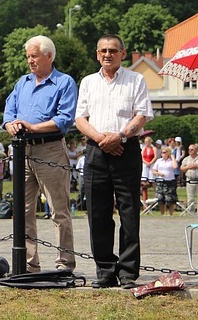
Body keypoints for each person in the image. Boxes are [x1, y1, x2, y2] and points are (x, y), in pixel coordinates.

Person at [75, 34, 153, 289]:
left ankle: (128, 272)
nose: (108, 54)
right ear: (96, 54)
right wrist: (101, 138)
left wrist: (119, 137)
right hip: (96, 151)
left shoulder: (136, 80)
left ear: (122, 53)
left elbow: (142, 115)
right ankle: (105, 270)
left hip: (126, 149)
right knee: (97, 214)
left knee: (129, 213)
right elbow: (80, 118)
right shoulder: (88, 82)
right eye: (103, 51)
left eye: (113, 50)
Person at [3, 35, 77, 272]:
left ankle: (64, 263)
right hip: (22, 150)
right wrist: (10, 125)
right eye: (28, 57)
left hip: (50, 148)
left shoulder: (64, 82)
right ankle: (27, 263)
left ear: (49, 56)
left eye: (34, 56)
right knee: (23, 211)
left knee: (58, 210)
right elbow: (8, 112)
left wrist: (34, 127)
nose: (30, 61)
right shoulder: (22, 83)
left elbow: (65, 119)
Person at [181, 143, 198, 215]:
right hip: (190, 179)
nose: (190, 151)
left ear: (196, 150)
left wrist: (197, 166)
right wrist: (188, 167)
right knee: (190, 197)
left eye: (192, 149)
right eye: (189, 149)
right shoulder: (186, 159)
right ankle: (191, 212)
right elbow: (182, 168)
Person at [152, 147, 178, 216]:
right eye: (162, 152)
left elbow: (175, 166)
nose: (162, 154)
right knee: (160, 198)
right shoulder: (159, 161)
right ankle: (162, 213)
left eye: (164, 152)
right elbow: (154, 170)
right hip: (160, 181)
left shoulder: (171, 161)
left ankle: (170, 213)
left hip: (170, 181)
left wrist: (172, 157)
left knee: (170, 199)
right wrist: (158, 173)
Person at [140, 136, 158, 201]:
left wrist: (150, 162)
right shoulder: (143, 148)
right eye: (145, 142)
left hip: (152, 164)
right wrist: (146, 162)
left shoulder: (154, 148)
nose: (146, 143)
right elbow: (142, 157)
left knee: (153, 180)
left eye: (147, 142)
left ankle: (156, 195)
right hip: (145, 165)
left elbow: (155, 156)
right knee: (144, 180)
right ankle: (144, 196)